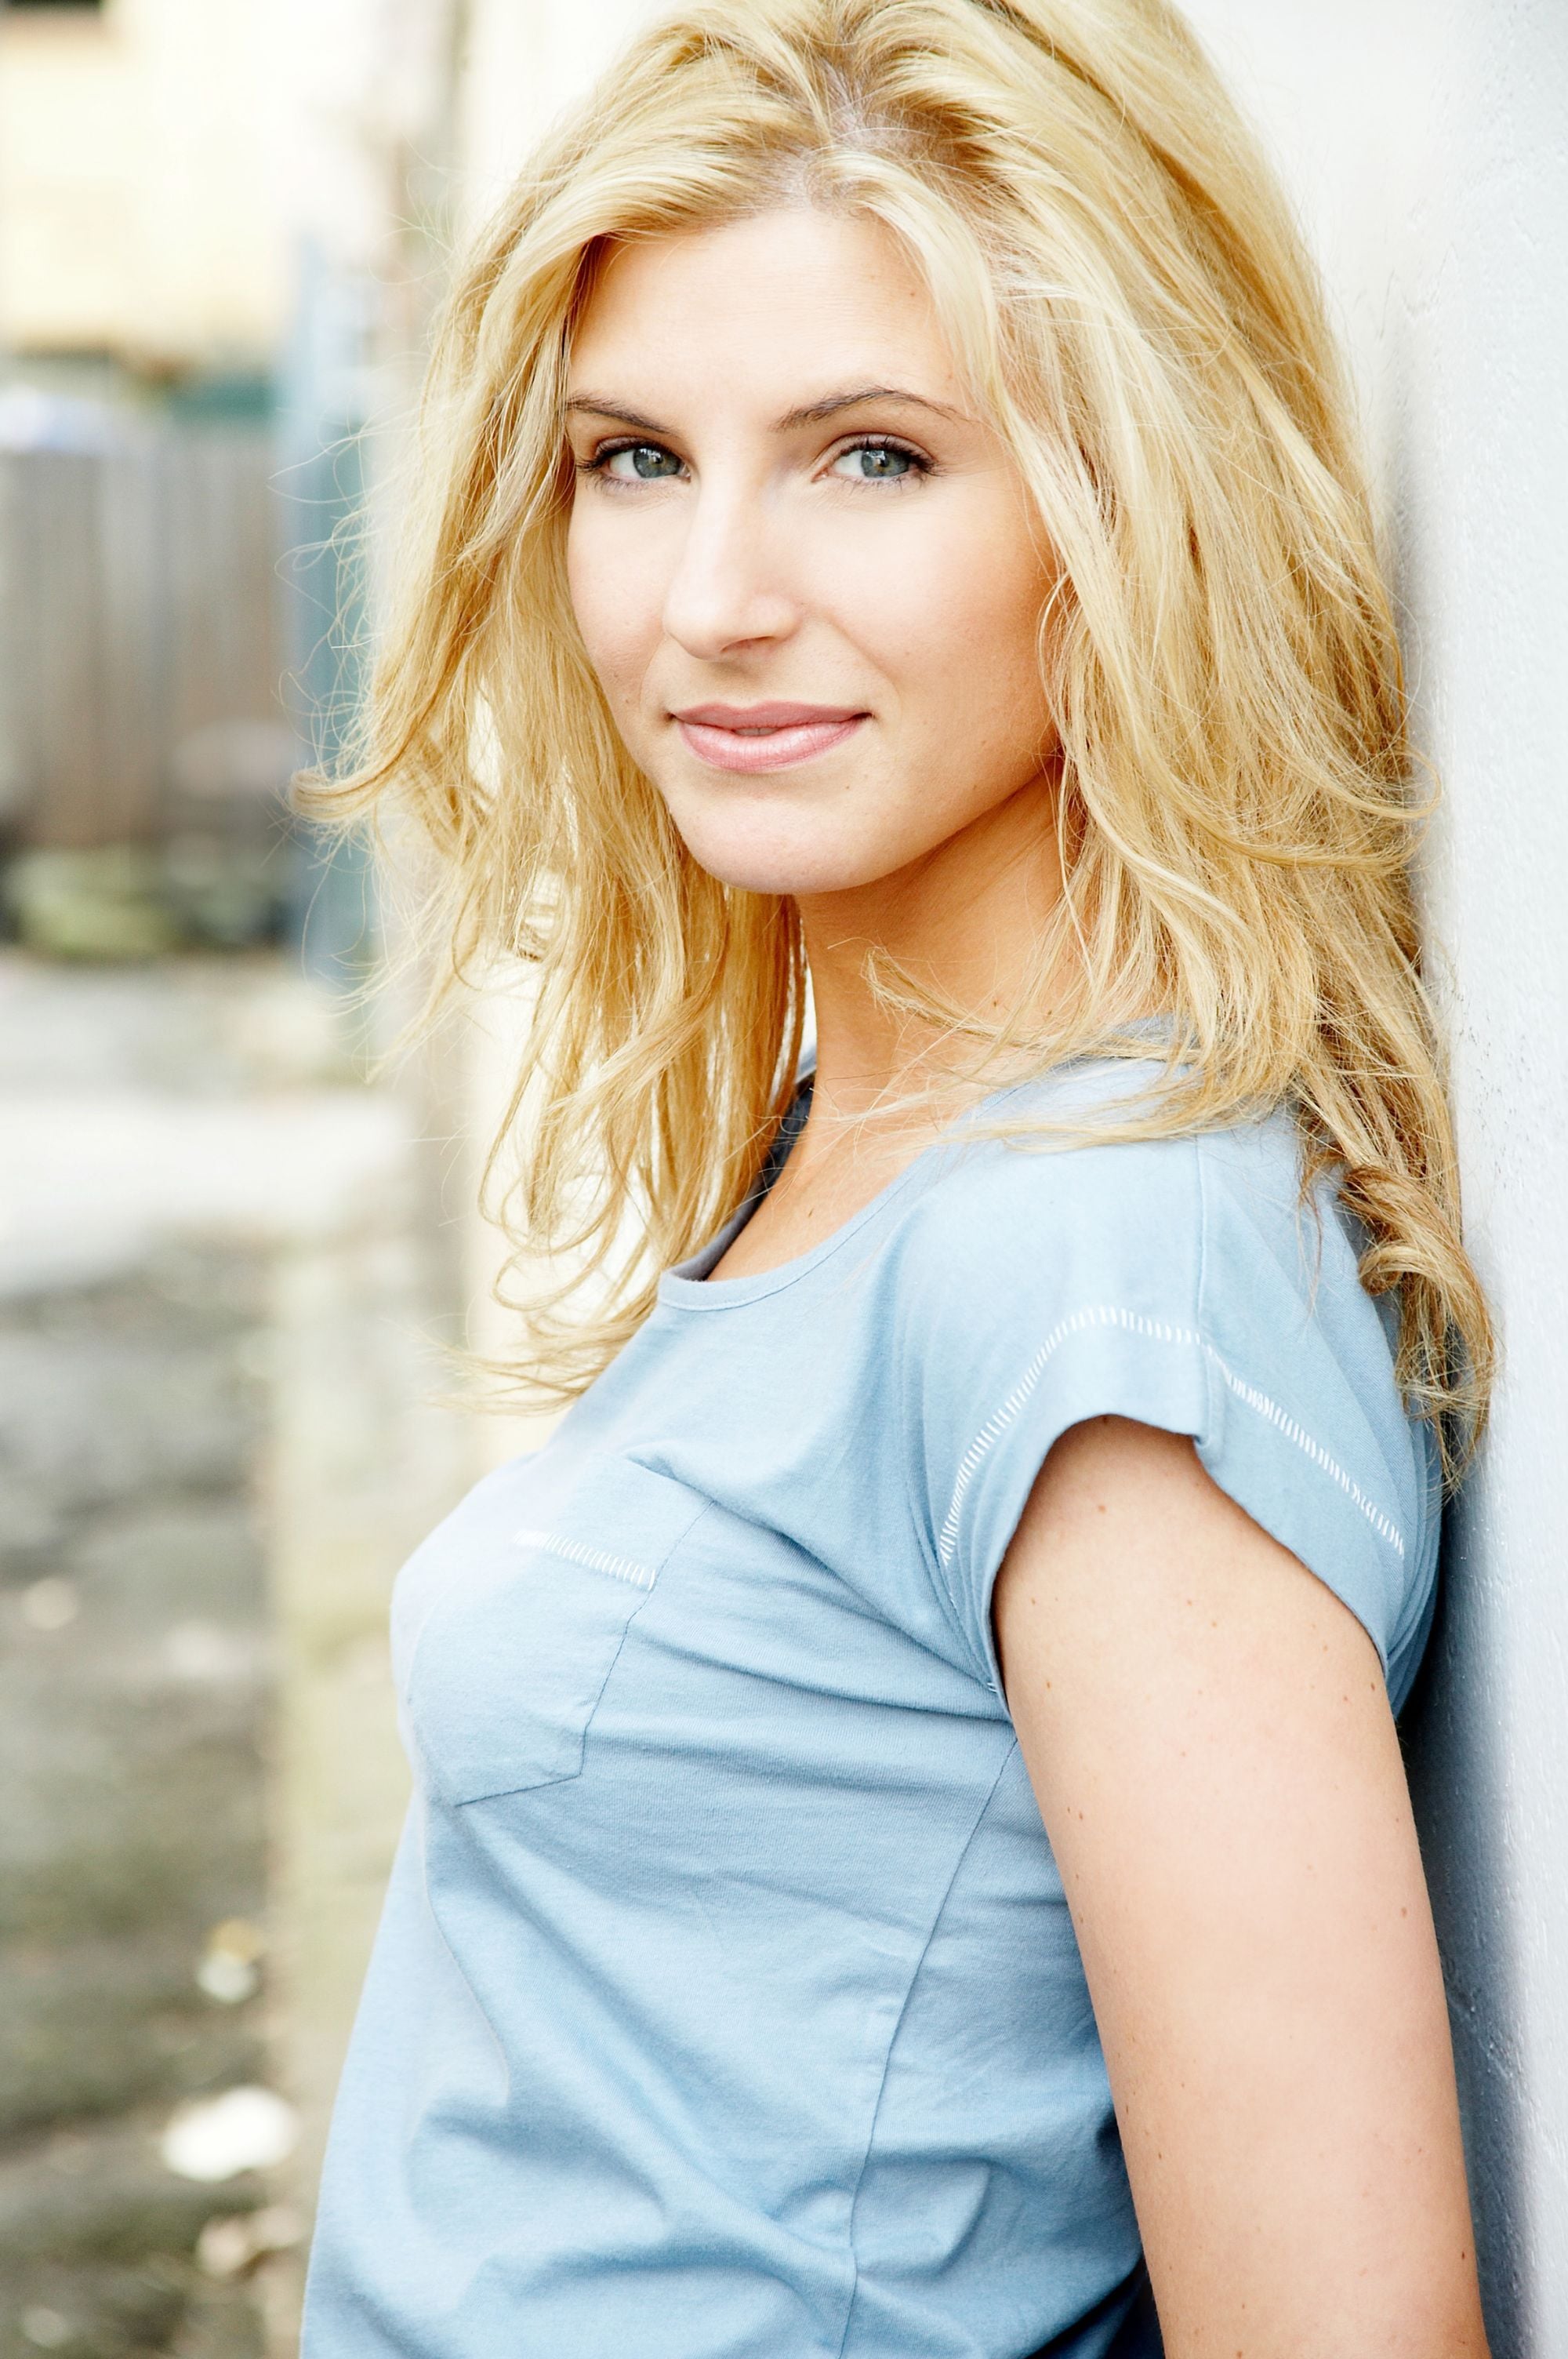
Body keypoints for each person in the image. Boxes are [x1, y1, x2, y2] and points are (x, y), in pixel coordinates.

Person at [299, 2, 1497, 2352]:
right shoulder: (877, 1134)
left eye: (873, 456)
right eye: (634, 459)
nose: (710, 598)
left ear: (1130, 499)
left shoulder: (1096, 1268)